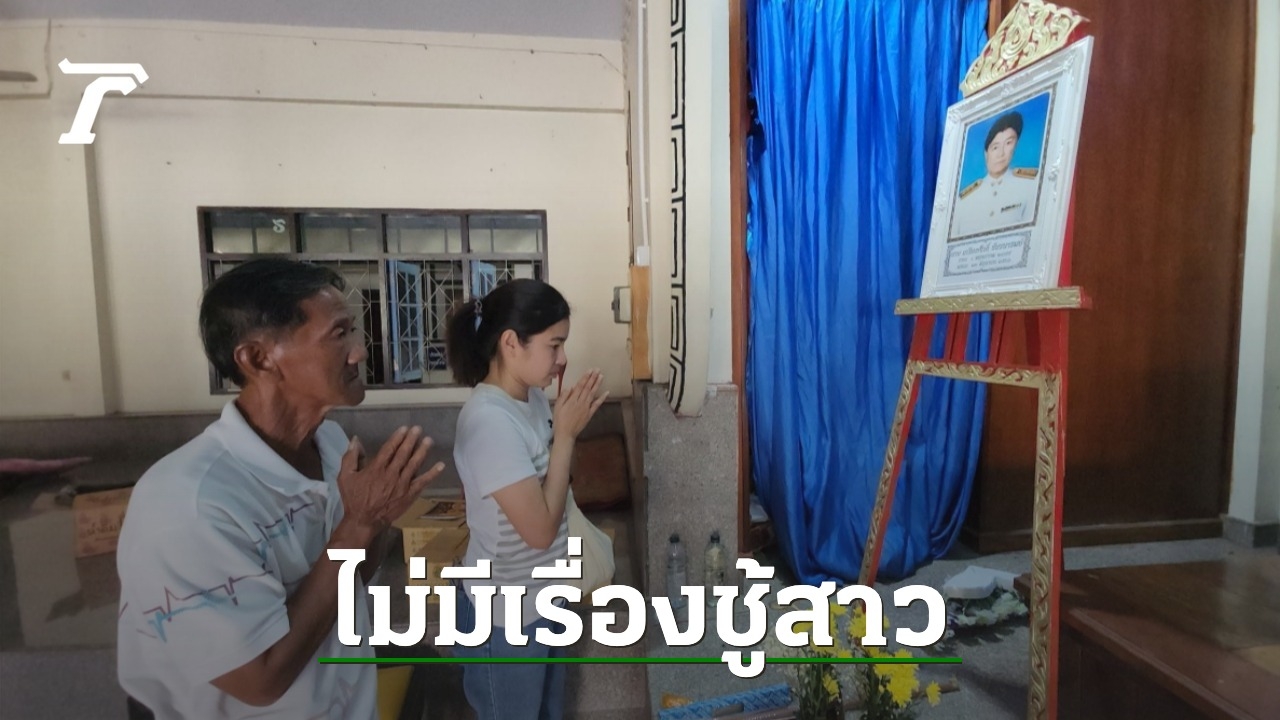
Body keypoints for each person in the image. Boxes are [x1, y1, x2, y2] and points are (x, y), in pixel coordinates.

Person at [116, 258, 446, 719]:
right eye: (338, 334)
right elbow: (260, 680)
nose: (359, 352)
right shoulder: (187, 504)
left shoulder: (330, 444)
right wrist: (358, 524)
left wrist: (375, 519)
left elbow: (352, 577)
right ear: (258, 359)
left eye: (353, 331)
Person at [443, 279, 608, 720]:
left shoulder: (531, 400)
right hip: (506, 615)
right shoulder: (489, 422)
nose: (563, 358)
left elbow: (556, 483)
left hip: (544, 597)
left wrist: (565, 432)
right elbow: (538, 532)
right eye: (554, 345)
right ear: (511, 343)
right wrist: (565, 436)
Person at [951, 110, 1040, 238]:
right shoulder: (964, 201)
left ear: (1015, 146)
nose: (1001, 154)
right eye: (995, 147)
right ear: (986, 153)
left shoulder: (1031, 186)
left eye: (1008, 143)